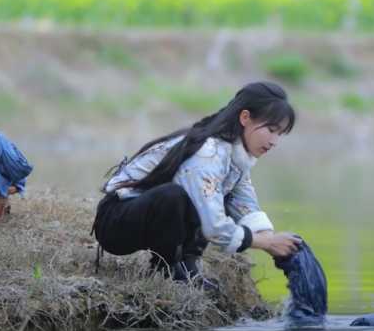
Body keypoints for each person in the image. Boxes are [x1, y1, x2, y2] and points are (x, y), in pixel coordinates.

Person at [91, 82, 302, 284]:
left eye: (280, 134)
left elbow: (245, 206)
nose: (274, 142)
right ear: (245, 117)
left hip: (145, 217)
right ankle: (168, 269)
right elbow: (215, 227)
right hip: (116, 223)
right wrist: (267, 243)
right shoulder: (208, 154)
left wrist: (276, 243)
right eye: (271, 130)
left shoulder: (236, 157)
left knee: (206, 198)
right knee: (176, 197)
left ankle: (187, 269)